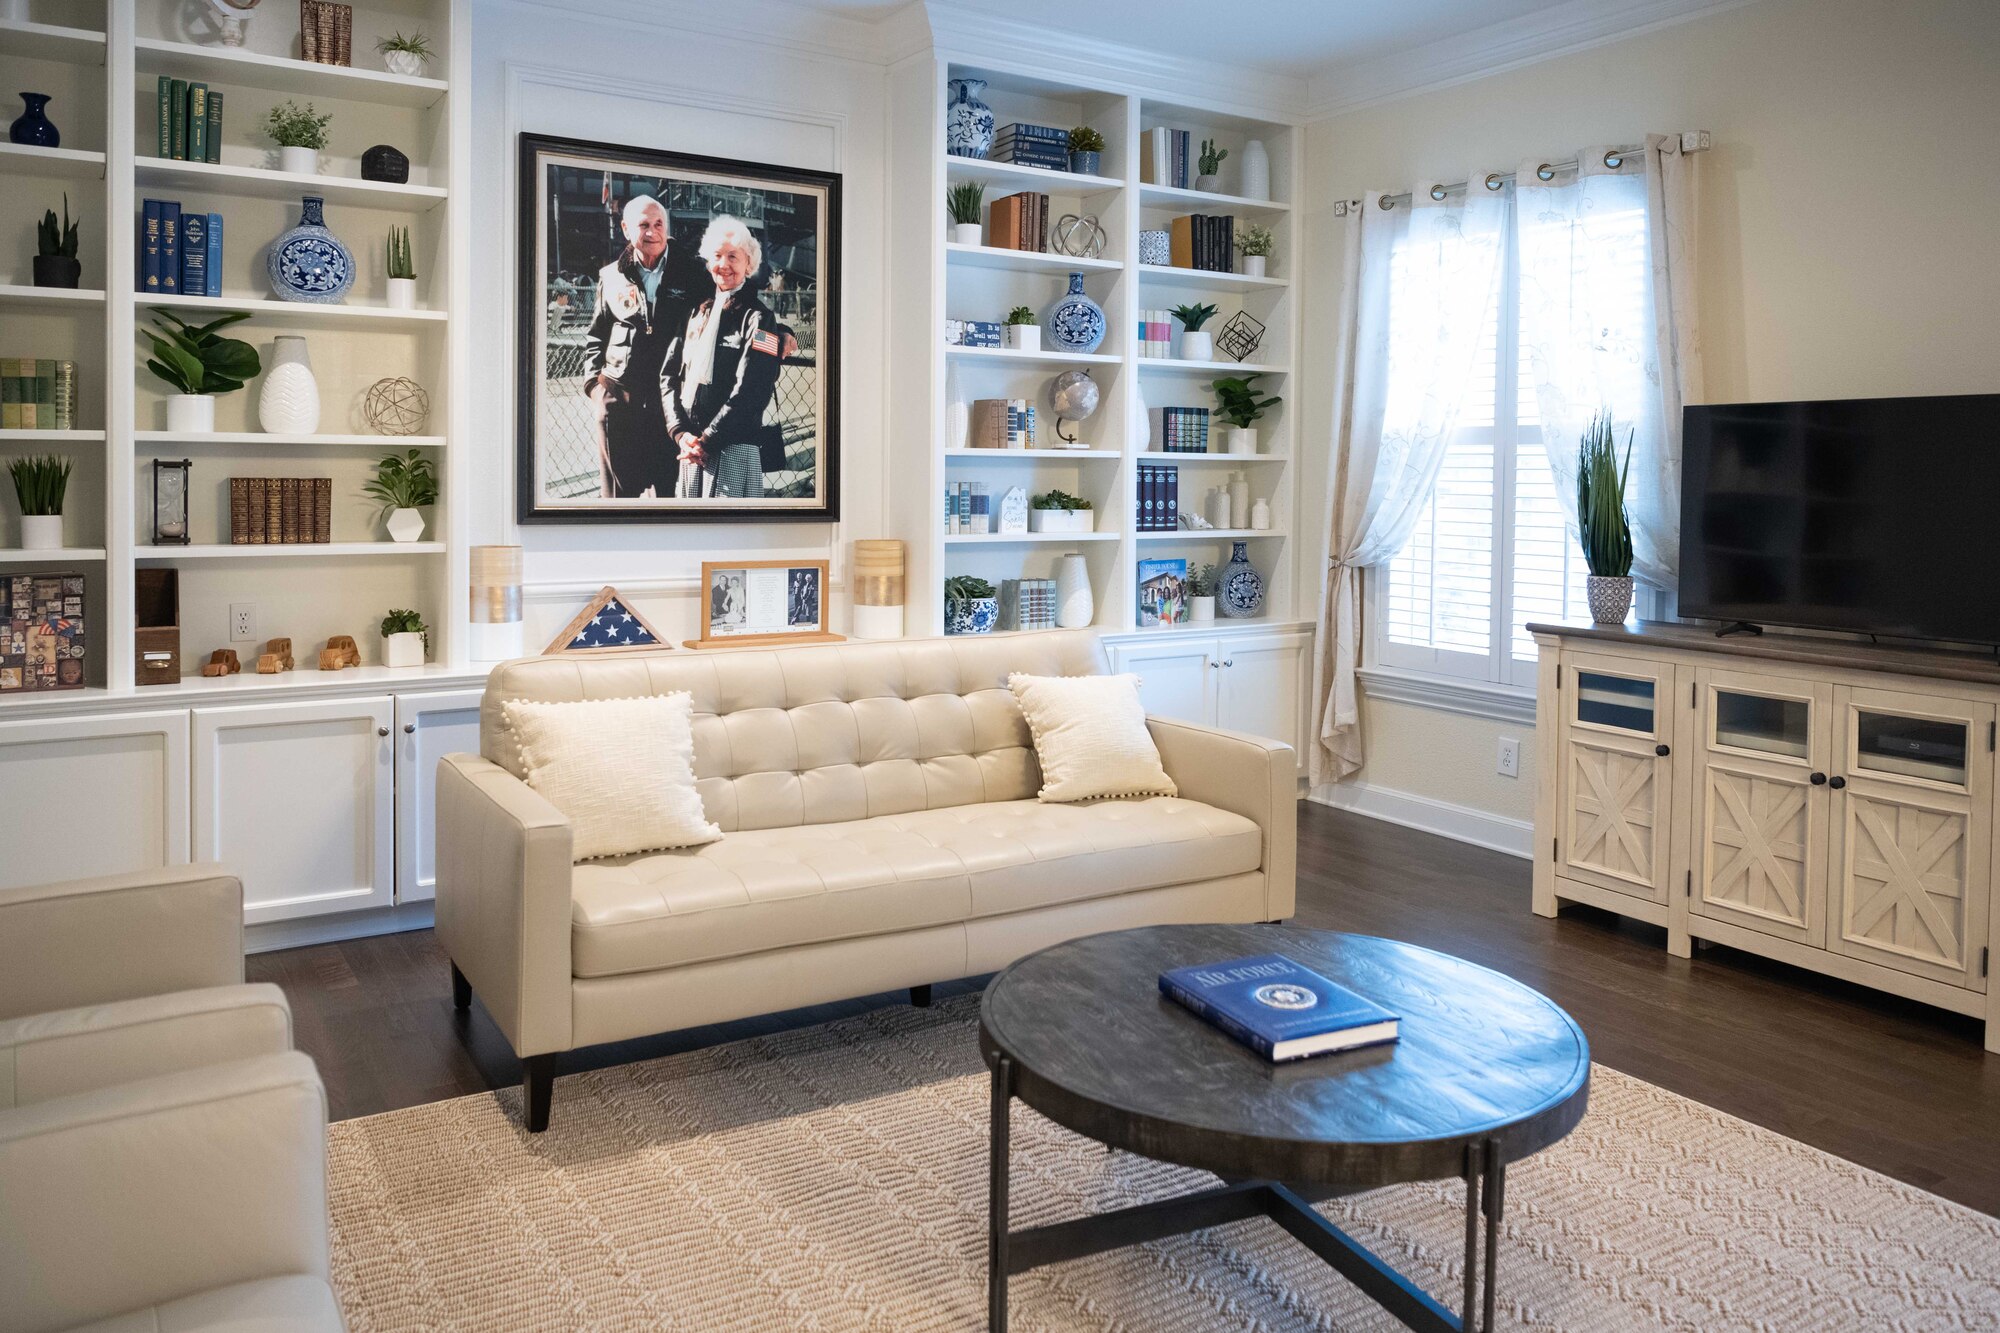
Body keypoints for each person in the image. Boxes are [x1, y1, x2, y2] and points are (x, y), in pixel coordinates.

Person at [663, 215, 790, 499]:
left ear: (749, 263)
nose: (724, 264)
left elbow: (753, 390)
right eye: (717, 256)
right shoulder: (695, 313)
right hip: (691, 450)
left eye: (733, 256)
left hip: (731, 447)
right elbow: (668, 376)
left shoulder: (760, 319)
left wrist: (708, 439)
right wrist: (680, 433)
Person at [580, 194, 698, 498]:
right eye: (643, 224)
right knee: (619, 505)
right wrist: (596, 388)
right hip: (621, 406)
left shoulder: (693, 272)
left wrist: (779, 329)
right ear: (625, 228)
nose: (652, 232)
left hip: (672, 409)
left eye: (659, 224)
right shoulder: (611, 276)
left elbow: (734, 299)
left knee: (675, 504)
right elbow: (596, 336)